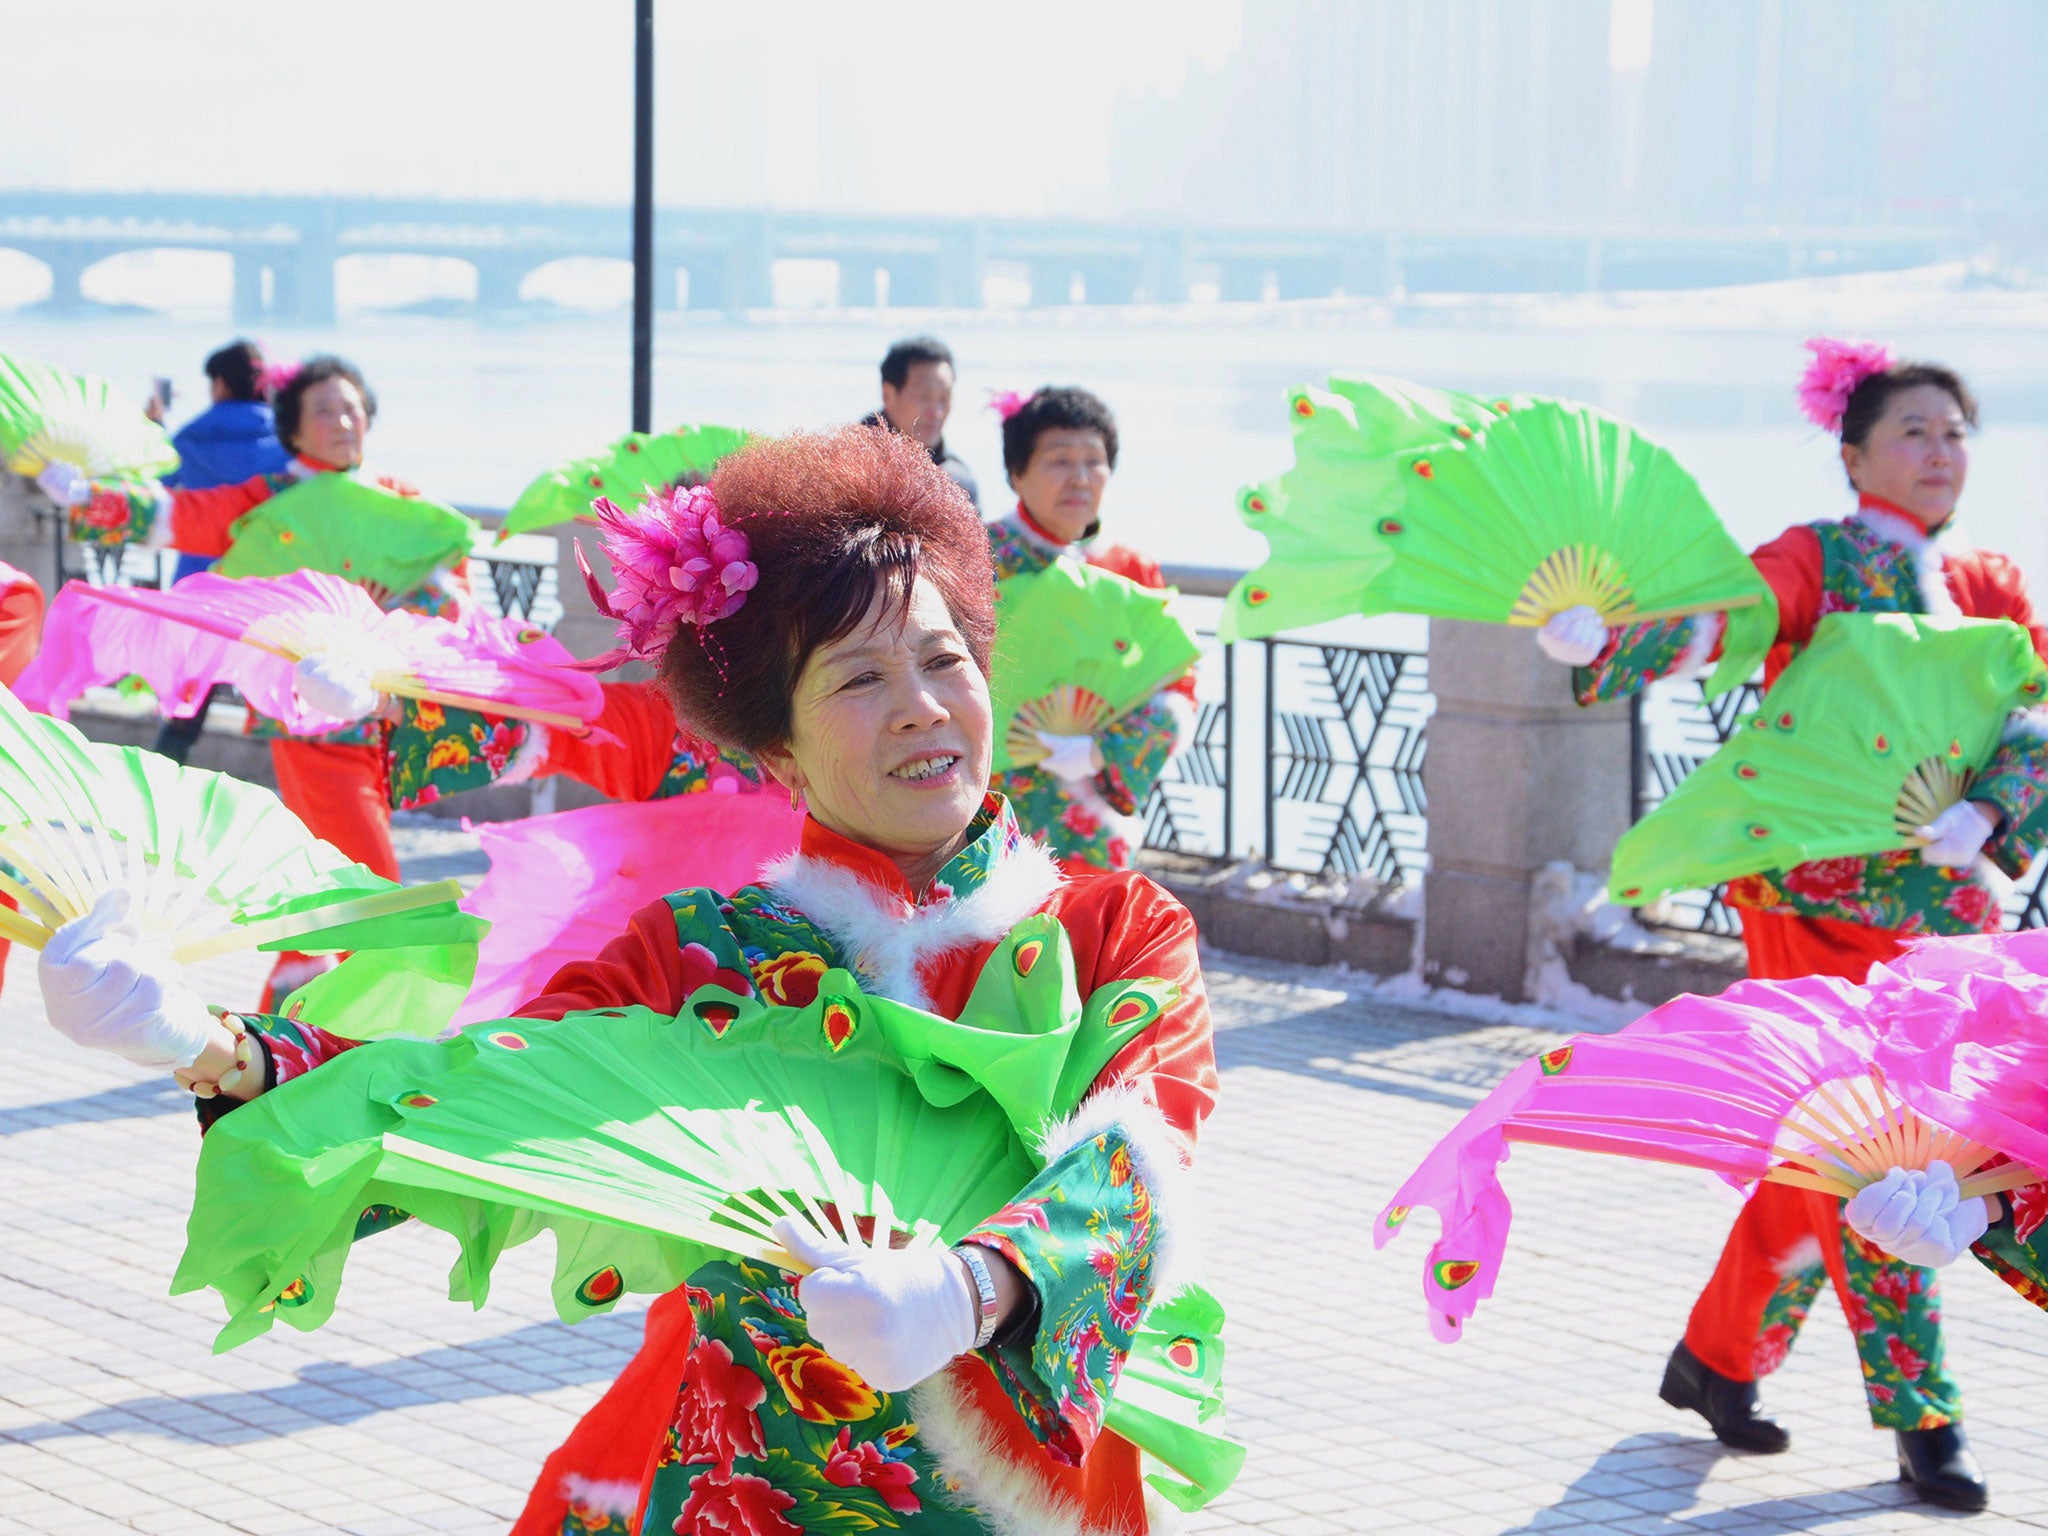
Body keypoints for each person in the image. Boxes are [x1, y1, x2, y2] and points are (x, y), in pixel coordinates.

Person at [37, 425, 1218, 1536]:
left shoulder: (1112, 925)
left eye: (942, 658)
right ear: (774, 750)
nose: (920, 706)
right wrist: (208, 1044)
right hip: (746, 1479)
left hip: (1026, 1493)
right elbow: (484, 1099)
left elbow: (1137, 1156)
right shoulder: (701, 951)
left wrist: (970, 1290)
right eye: (858, 680)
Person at [1536, 341, 2048, 1509]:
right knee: (1888, 1145)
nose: (1937, 453)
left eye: (1954, 432)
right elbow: (1728, 620)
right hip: (1814, 911)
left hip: (1941, 920)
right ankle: (1924, 1419)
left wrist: (1987, 809)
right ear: (1853, 452)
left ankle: (1714, 1361)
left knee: (1816, 1158)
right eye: (1911, 432)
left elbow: (2030, 715)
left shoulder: (1989, 582)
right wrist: (1602, 643)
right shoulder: (1819, 556)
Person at [36, 354, 472, 1004]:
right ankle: (381, 1008)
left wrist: (389, 612)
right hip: (305, 714)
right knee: (366, 866)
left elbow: (452, 592)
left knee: (322, 858)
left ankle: (288, 1010)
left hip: (389, 709)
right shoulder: (269, 498)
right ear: (294, 430)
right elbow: (177, 516)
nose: (341, 420)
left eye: (351, 407)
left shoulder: (403, 503)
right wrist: (89, 497)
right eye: (323, 409)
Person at [986, 386, 1194, 873]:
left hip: (1094, 806)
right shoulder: (978, 556)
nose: (1080, 478)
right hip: (990, 799)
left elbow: (1175, 681)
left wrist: (1101, 751)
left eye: (1094, 461)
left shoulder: (1130, 568)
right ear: (1017, 473)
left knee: (1093, 932)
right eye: (1059, 461)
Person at [153, 339, 292, 765]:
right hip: (269, 589)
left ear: (218, 383)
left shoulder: (189, 438)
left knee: (189, 704)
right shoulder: (288, 444)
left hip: (201, 588)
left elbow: (154, 482)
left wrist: (154, 426)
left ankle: (162, 775)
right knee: (287, 693)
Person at [863, 335, 979, 509]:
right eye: (924, 397)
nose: (936, 412)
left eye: (944, 398)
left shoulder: (959, 481)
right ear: (888, 394)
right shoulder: (844, 466)